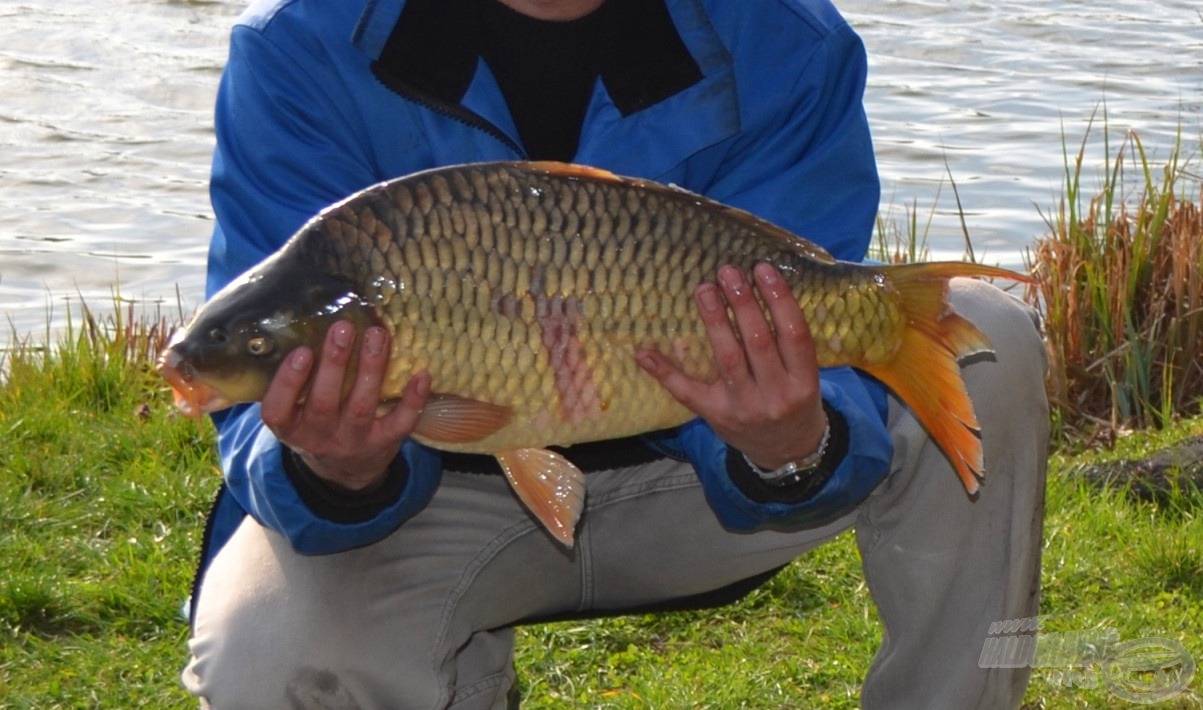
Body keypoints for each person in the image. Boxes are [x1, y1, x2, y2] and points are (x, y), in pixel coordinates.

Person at [180, 0, 1049, 707]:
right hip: (431, 498)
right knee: (261, 657)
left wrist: (790, 443)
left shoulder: (783, 37)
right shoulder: (300, 46)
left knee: (984, 339)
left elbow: (820, 317)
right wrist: (335, 470)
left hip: (705, 487)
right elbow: (255, 408)